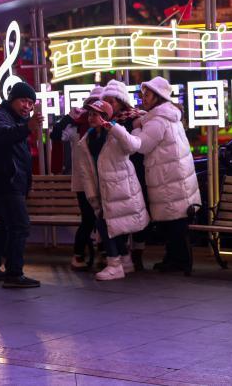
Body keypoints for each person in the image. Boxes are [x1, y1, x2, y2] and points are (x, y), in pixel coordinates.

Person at [114, 77, 200, 275]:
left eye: (148, 95)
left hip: (169, 179)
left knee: (175, 224)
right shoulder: (165, 115)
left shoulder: (159, 120)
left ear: (158, 96)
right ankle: (173, 260)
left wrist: (136, 126)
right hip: (172, 178)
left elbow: (142, 145)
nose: (143, 98)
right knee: (173, 223)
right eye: (143, 94)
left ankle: (180, 262)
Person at [0, 82, 43, 288]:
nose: (27, 106)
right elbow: (1, 135)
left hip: (11, 183)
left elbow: (21, 157)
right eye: (23, 101)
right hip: (5, 183)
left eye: (31, 103)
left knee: (6, 226)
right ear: (12, 99)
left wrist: (27, 184)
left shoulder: (16, 120)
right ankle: (14, 274)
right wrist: (26, 127)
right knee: (20, 225)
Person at [78, 100, 150, 280]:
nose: (91, 117)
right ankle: (125, 260)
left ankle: (114, 264)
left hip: (121, 189)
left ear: (105, 117)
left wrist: (114, 128)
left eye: (95, 114)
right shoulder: (87, 140)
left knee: (105, 224)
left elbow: (134, 146)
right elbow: (86, 172)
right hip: (103, 190)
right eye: (90, 114)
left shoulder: (116, 133)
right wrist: (92, 195)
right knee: (112, 225)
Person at [51, 86, 104, 271]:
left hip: (104, 181)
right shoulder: (76, 127)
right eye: (91, 107)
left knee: (105, 219)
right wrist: (69, 117)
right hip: (83, 183)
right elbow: (56, 135)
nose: (93, 113)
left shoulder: (108, 128)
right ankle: (78, 255)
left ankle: (105, 253)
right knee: (88, 219)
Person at [102, 80, 150, 270]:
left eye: (112, 101)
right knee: (119, 213)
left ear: (121, 102)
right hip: (116, 175)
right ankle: (123, 254)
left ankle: (137, 253)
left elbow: (137, 144)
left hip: (136, 170)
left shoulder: (136, 118)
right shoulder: (104, 122)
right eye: (106, 101)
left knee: (138, 213)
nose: (109, 105)